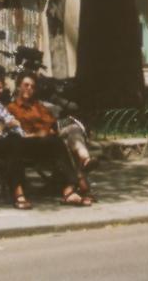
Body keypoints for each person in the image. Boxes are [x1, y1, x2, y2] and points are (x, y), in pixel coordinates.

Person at [0, 70, 90, 209]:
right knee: (13, 142)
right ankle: (18, 195)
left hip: (17, 140)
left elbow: (15, 124)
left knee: (54, 141)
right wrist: (4, 126)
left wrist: (16, 131)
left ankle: (69, 190)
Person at [7, 71, 96, 202]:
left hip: (47, 140)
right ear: (18, 86)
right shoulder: (11, 108)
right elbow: (16, 131)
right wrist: (38, 133)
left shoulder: (37, 106)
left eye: (32, 86)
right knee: (58, 143)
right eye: (26, 85)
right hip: (27, 144)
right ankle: (77, 181)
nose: (29, 89)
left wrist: (46, 130)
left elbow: (50, 121)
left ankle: (80, 167)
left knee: (72, 129)